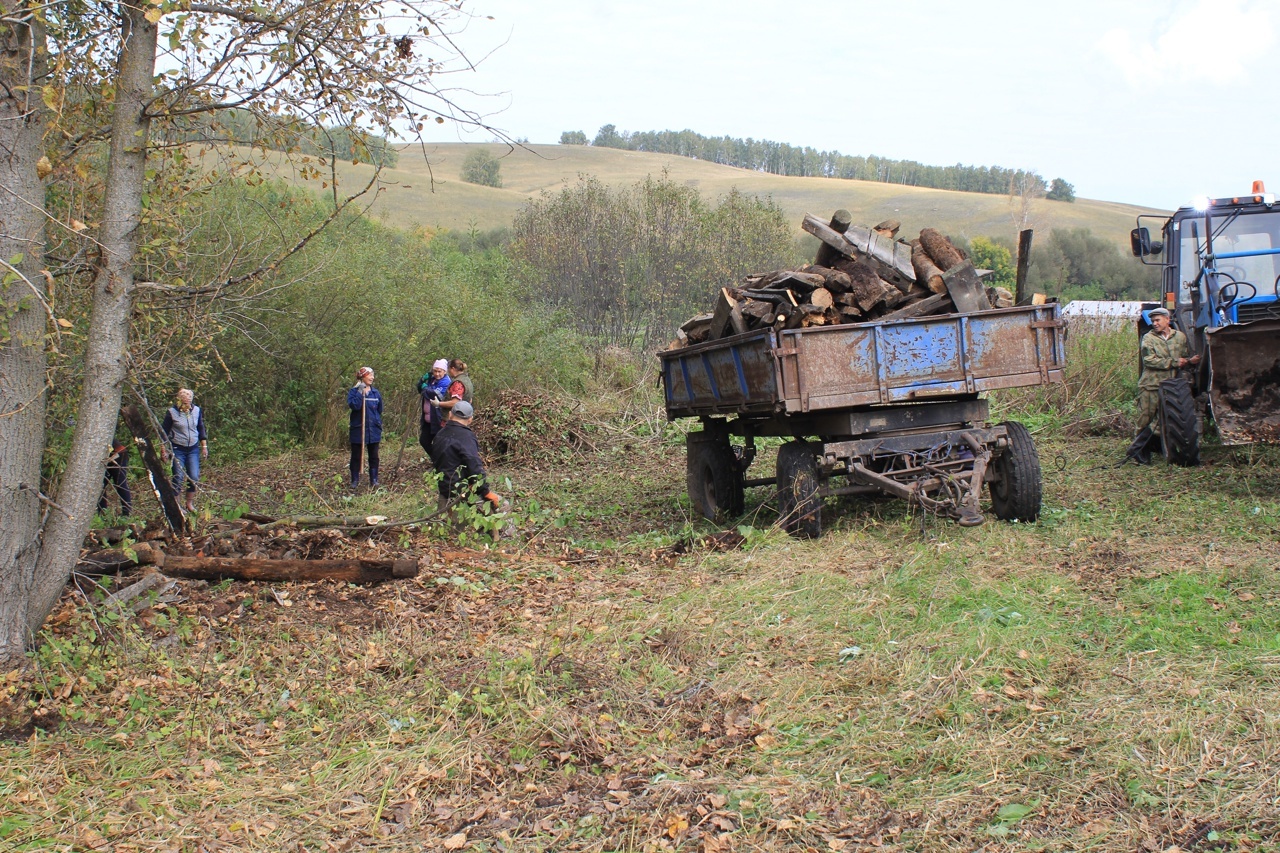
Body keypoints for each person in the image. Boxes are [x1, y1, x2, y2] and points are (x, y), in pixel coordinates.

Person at [1127, 307, 1200, 464]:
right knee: (1145, 419)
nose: (1155, 323)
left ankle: (1147, 448)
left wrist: (1190, 361)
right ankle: (1139, 453)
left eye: (1158, 320)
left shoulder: (1180, 337)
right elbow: (1149, 360)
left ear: (1168, 320)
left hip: (1170, 387)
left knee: (1161, 421)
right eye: (1153, 321)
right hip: (1151, 385)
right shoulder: (1149, 338)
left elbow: (1185, 356)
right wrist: (1175, 362)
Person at [430, 400, 501, 514]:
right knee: (503, 506)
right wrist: (485, 492)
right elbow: (474, 466)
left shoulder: (439, 435)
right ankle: (501, 531)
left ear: (450, 415)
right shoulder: (467, 437)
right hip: (461, 492)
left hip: (444, 488)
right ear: (470, 419)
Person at [161, 388, 207, 512]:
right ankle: (177, 505)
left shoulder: (197, 410)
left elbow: (201, 428)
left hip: (193, 448)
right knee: (178, 477)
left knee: (194, 476)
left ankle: (189, 503)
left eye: (189, 401)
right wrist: (163, 450)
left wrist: (204, 446)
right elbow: (163, 432)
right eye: (185, 401)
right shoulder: (172, 413)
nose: (187, 404)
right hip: (177, 449)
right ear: (179, 400)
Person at [347, 366, 383, 489]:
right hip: (358, 429)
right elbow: (355, 406)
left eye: (373, 375)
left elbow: (380, 409)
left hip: (373, 429)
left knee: (374, 455)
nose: (372, 377)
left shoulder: (375, 393)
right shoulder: (354, 392)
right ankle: (355, 480)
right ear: (363, 377)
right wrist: (359, 392)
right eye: (370, 375)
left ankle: (374, 480)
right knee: (356, 456)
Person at [417, 358, 451, 453]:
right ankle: (436, 460)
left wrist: (425, 388)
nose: (437, 374)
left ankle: (441, 462)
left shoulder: (446, 382)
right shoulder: (431, 379)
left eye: (439, 371)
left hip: (438, 418)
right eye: (435, 371)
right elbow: (420, 389)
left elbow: (434, 395)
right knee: (424, 441)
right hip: (427, 419)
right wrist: (422, 380)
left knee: (439, 443)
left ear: (444, 371)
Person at [98, 438, 133, 517]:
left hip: (118, 455)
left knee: (120, 483)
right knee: (100, 485)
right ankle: (102, 513)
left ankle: (127, 513)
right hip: (105, 458)